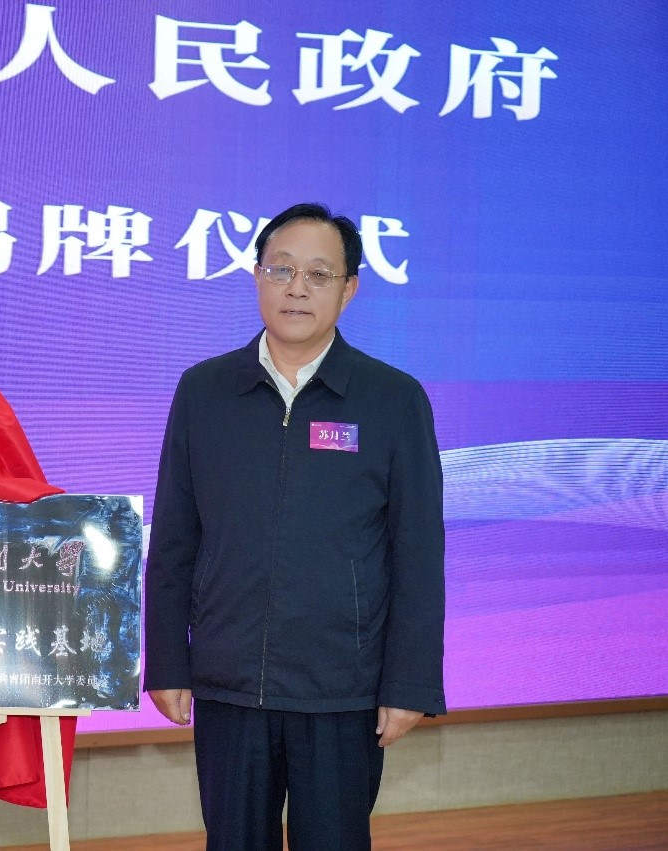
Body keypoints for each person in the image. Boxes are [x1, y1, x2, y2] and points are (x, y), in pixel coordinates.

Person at [144, 203, 445, 850]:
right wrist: (167, 662)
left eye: (318, 273)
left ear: (349, 288)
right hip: (228, 684)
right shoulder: (204, 392)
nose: (297, 288)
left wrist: (410, 682)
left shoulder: (392, 400)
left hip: (341, 689)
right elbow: (172, 540)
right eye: (281, 269)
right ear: (257, 276)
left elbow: (417, 554)